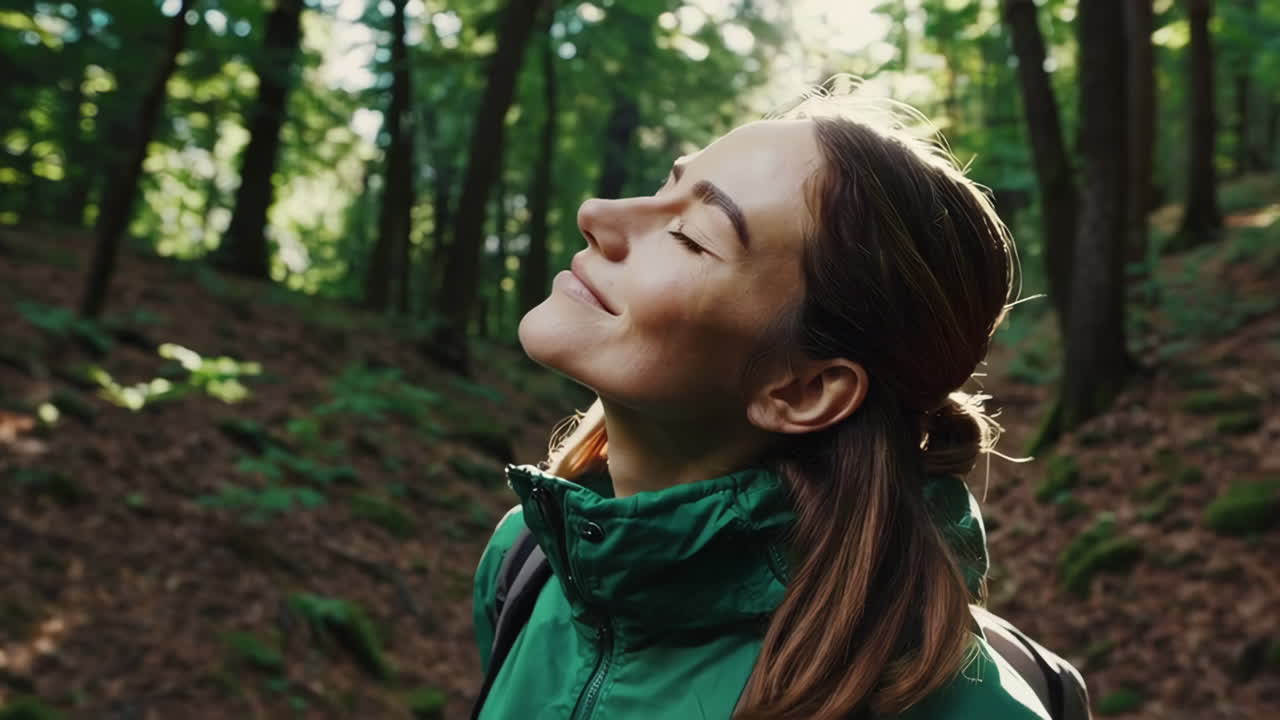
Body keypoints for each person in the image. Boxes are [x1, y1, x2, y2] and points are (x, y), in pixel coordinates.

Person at [471, 78, 1051, 719]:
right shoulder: (524, 562)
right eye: (667, 186)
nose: (598, 213)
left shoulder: (945, 707)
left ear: (804, 390)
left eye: (691, 234)